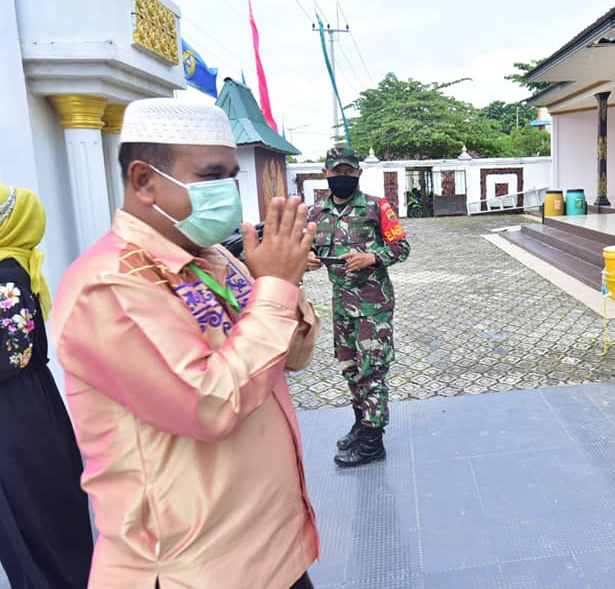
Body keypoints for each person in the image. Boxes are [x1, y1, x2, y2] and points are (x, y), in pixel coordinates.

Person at [50, 99, 320, 589]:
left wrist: (284, 285)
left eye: (231, 176)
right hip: (193, 569)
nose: (229, 192)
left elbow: (292, 358)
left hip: (271, 551)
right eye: (211, 175)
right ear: (143, 180)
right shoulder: (109, 286)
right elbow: (209, 405)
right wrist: (275, 289)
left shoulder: (213, 257)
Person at [0, 184, 93, 588]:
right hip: (25, 404)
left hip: (14, 410)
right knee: (39, 508)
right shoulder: (14, 266)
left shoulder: (7, 274)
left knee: (31, 511)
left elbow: (11, 355)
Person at [308, 145, 410, 467]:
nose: (342, 176)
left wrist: (373, 257)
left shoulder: (376, 207)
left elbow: (402, 247)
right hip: (341, 307)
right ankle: (360, 422)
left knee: (372, 372)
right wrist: (304, 259)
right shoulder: (315, 214)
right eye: (336, 171)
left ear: (358, 173)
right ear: (326, 173)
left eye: (348, 171)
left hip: (373, 307)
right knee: (350, 370)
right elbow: (303, 249)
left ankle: (372, 442)